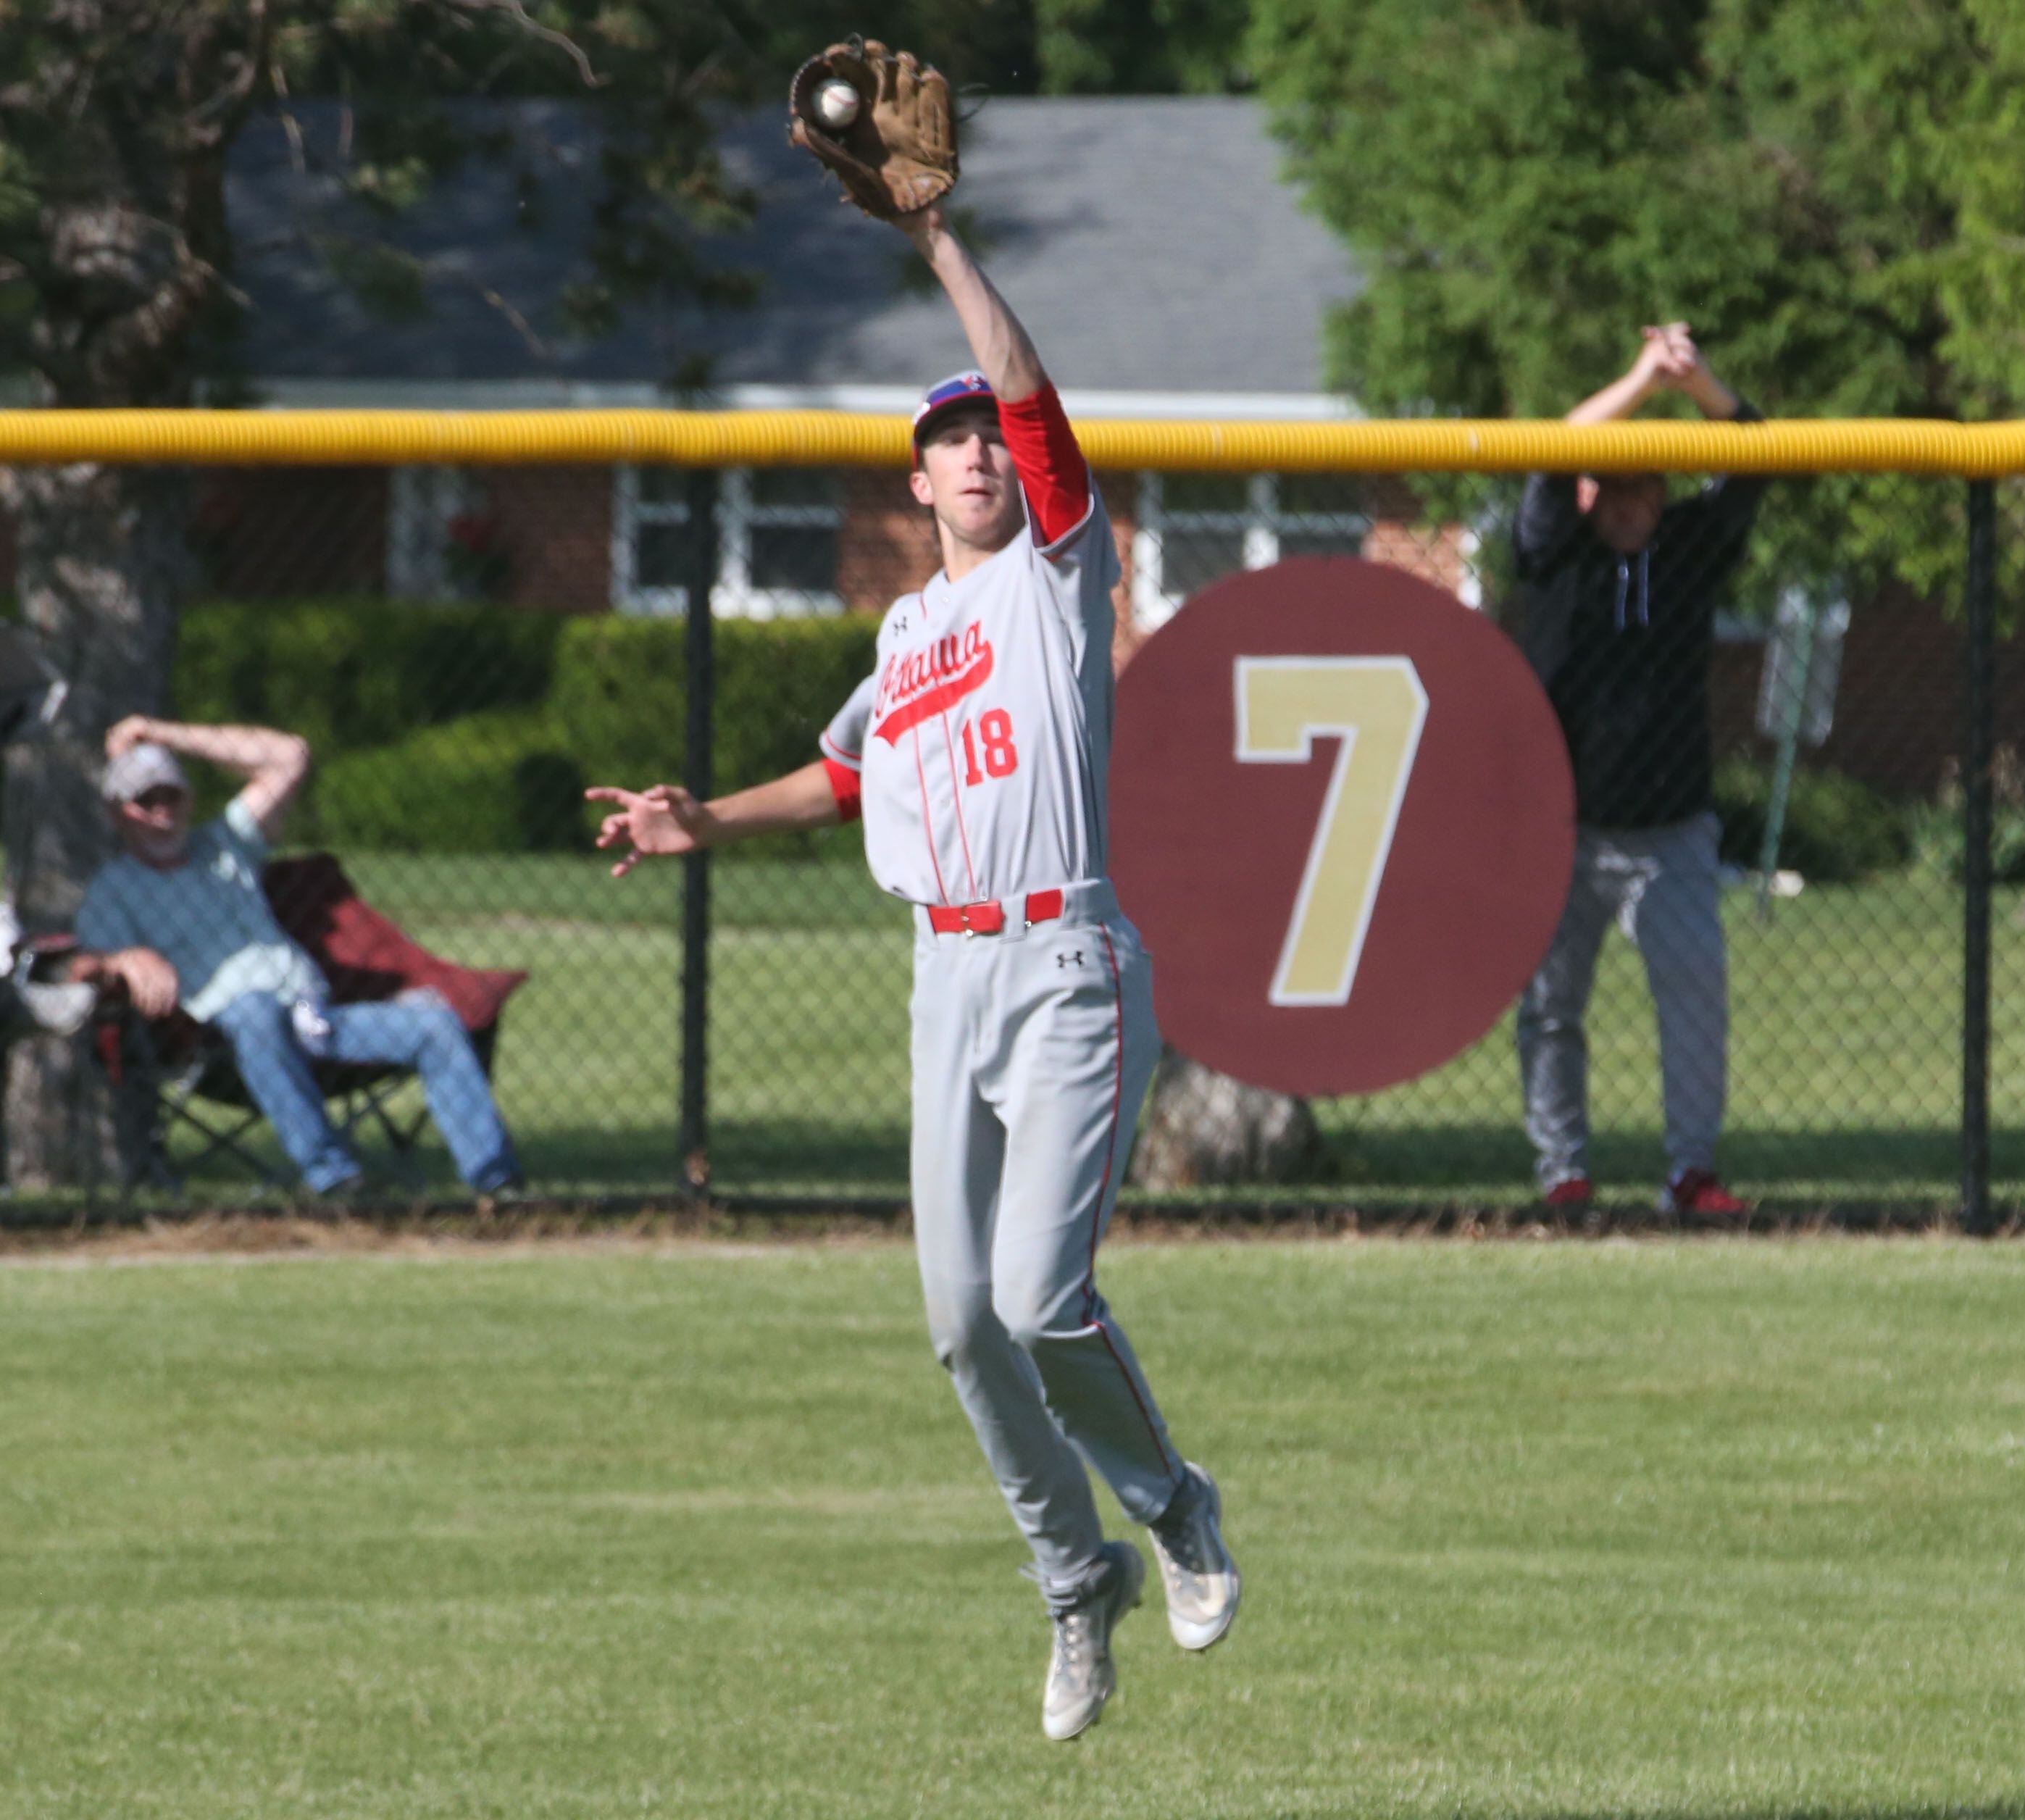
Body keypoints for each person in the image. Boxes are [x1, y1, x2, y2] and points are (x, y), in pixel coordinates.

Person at [588, 199, 1239, 1742]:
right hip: (942, 981)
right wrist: (706, 819)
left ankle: (1171, 1500)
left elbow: (1020, 377)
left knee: (1038, 1293)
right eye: (947, 439)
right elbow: (845, 772)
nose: (976, 451)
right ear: (913, 478)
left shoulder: (1053, 578)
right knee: (958, 1320)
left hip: (1063, 954)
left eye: (986, 435)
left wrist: (935, 233)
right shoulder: (908, 628)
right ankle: (1071, 1576)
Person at [1511, 323, 1765, 1218]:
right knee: (1550, 1009)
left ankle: (1689, 1175)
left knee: (1694, 1002)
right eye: (1613, 484)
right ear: (1591, 490)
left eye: (1645, 484)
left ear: (1662, 492)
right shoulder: (1551, 548)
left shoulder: (1686, 551)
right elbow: (1551, 451)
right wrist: (1638, 377)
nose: (1629, 502)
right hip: (1562, 830)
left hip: (1671, 832)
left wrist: (1692, 381)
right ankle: (1562, 1174)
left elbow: (1755, 453)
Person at [74, 715, 522, 1198]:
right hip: (222, 1045)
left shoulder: (226, 846)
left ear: (189, 800)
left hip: (315, 1021)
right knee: (254, 1010)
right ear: (118, 812)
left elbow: (290, 756)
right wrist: (123, 959)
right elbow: (82, 964)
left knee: (434, 1022)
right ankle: (335, 1180)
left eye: (172, 796)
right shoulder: (112, 890)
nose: (162, 812)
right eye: (145, 800)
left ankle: (497, 1186)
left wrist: (163, 735)